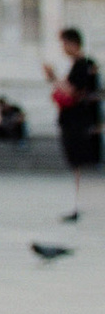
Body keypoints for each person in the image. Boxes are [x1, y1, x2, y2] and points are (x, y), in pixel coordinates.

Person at [44, 26, 101, 204]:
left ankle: (85, 204)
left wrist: (53, 77)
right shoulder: (81, 65)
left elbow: (72, 92)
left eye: (64, 43)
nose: (63, 48)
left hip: (79, 122)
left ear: (72, 43)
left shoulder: (83, 65)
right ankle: (81, 204)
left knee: (81, 162)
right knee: (79, 164)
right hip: (77, 120)